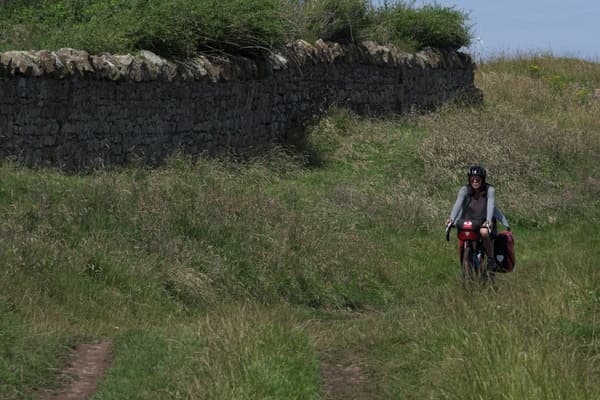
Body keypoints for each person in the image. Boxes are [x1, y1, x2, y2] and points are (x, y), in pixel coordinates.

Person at [445, 165, 510, 271]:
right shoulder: (464, 190)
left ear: (482, 180)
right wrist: (451, 219)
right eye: (472, 179)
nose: (475, 181)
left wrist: (488, 221)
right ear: (469, 180)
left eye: (477, 179)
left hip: (485, 220)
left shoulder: (490, 190)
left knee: (484, 233)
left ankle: (491, 259)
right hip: (470, 220)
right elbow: (458, 204)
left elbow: (490, 206)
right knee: (465, 235)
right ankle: (469, 261)